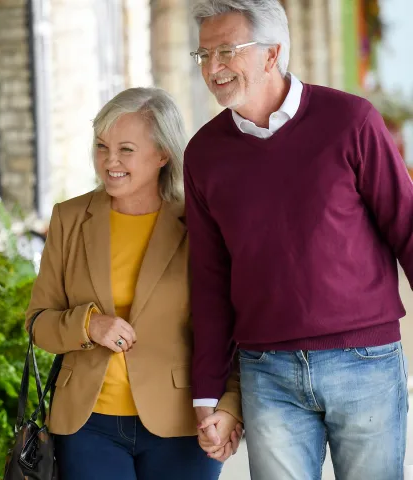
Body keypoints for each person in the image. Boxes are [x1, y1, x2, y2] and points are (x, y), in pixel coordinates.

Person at [185, 1, 413, 479]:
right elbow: (208, 278)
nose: (213, 68)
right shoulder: (204, 153)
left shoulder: (351, 121)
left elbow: (406, 225)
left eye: (226, 51)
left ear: (272, 54)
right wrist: (208, 392)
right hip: (266, 370)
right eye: (203, 56)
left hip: (364, 361)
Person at [25, 87, 242, 480]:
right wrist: (87, 325)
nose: (110, 161)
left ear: (162, 154)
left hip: (183, 422)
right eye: (102, 146)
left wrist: (230, 406)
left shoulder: (201, 224)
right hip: (88, 425)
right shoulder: (69, 219)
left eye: (126, 149)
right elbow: (38, 322)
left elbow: (234, 327)